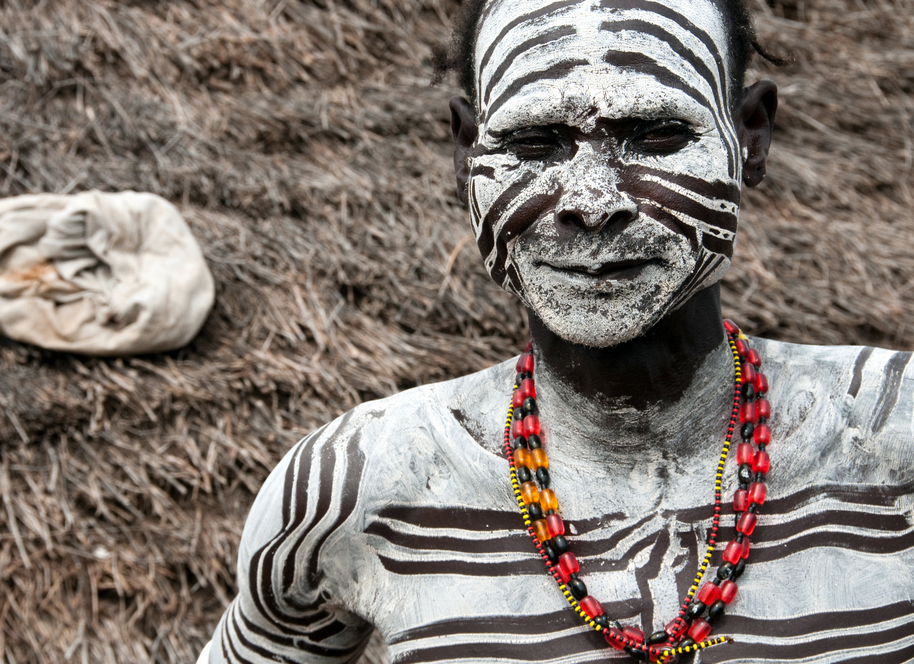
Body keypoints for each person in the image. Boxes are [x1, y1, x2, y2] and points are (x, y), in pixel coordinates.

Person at [200, 0, 914, 661]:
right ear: (465, 153)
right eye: (536, 144)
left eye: (656, 135)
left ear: (750, 135)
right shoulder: (355, 486)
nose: (593, 202)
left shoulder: (893, 435)